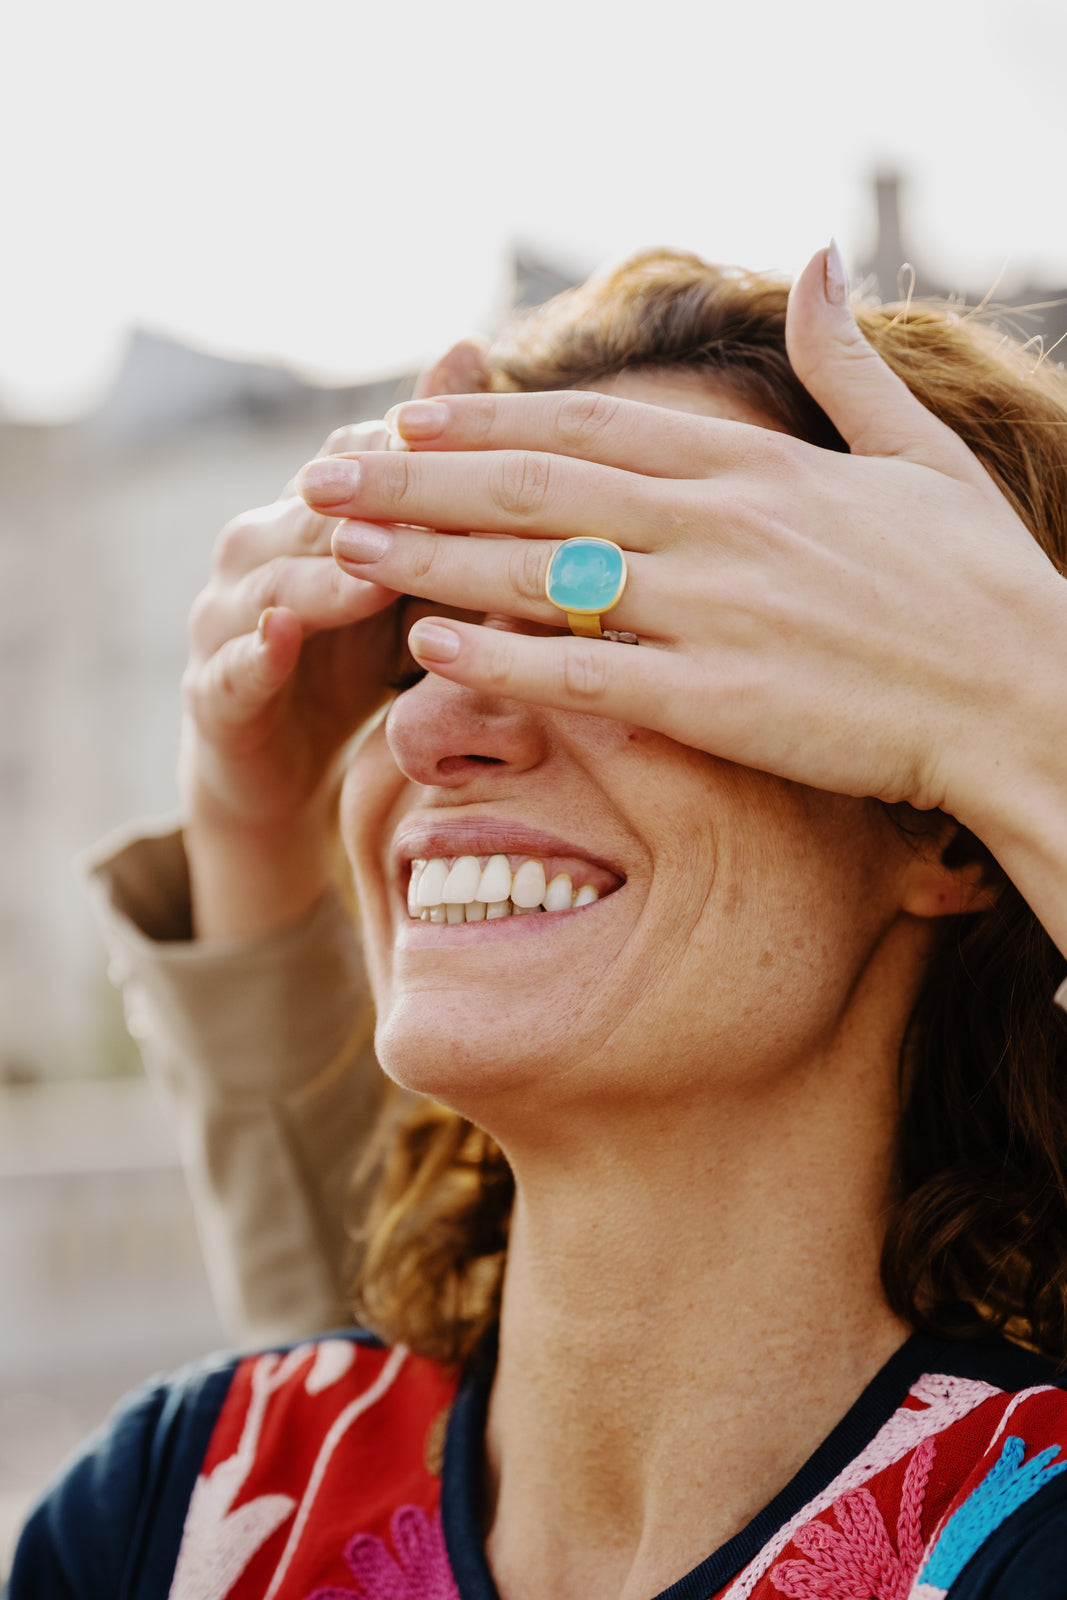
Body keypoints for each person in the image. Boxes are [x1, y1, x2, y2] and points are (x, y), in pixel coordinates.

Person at [13, 242, 1067, 1600]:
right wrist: (253, 817)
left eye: (611, 616)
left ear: (946, 818)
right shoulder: (159, 1517)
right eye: (422, 642)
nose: (434, 724)